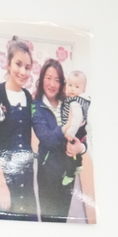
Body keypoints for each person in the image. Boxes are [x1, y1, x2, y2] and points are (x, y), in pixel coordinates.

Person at [0, 38, 37, 221]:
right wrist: (1, 184)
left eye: (27, 67)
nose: (23, 72)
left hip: (25, 178)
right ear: (8, 64)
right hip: (2, 178)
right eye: (18, 64)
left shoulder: (28, 97)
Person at [31, 59, 83, 223]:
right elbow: (47, 139)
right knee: (49, 218)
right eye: (48, 78)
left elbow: (83, 133)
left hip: (68, 170)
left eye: (57, 80)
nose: (52, 84)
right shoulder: (36, 106)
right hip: (48, 172)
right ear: (42, 79)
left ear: (62, 83)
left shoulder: (69, 103)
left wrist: (80, 147)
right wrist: (66, 126)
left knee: (63, 216)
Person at [65, 70, 97, 223]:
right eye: (70, 85)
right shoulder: (75, 101)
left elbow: (76, 120)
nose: (72, 89)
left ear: (83, 89)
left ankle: (71, 172)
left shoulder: (76, 103)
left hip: (77, 137)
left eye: (76, 87)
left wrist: (69, 132)